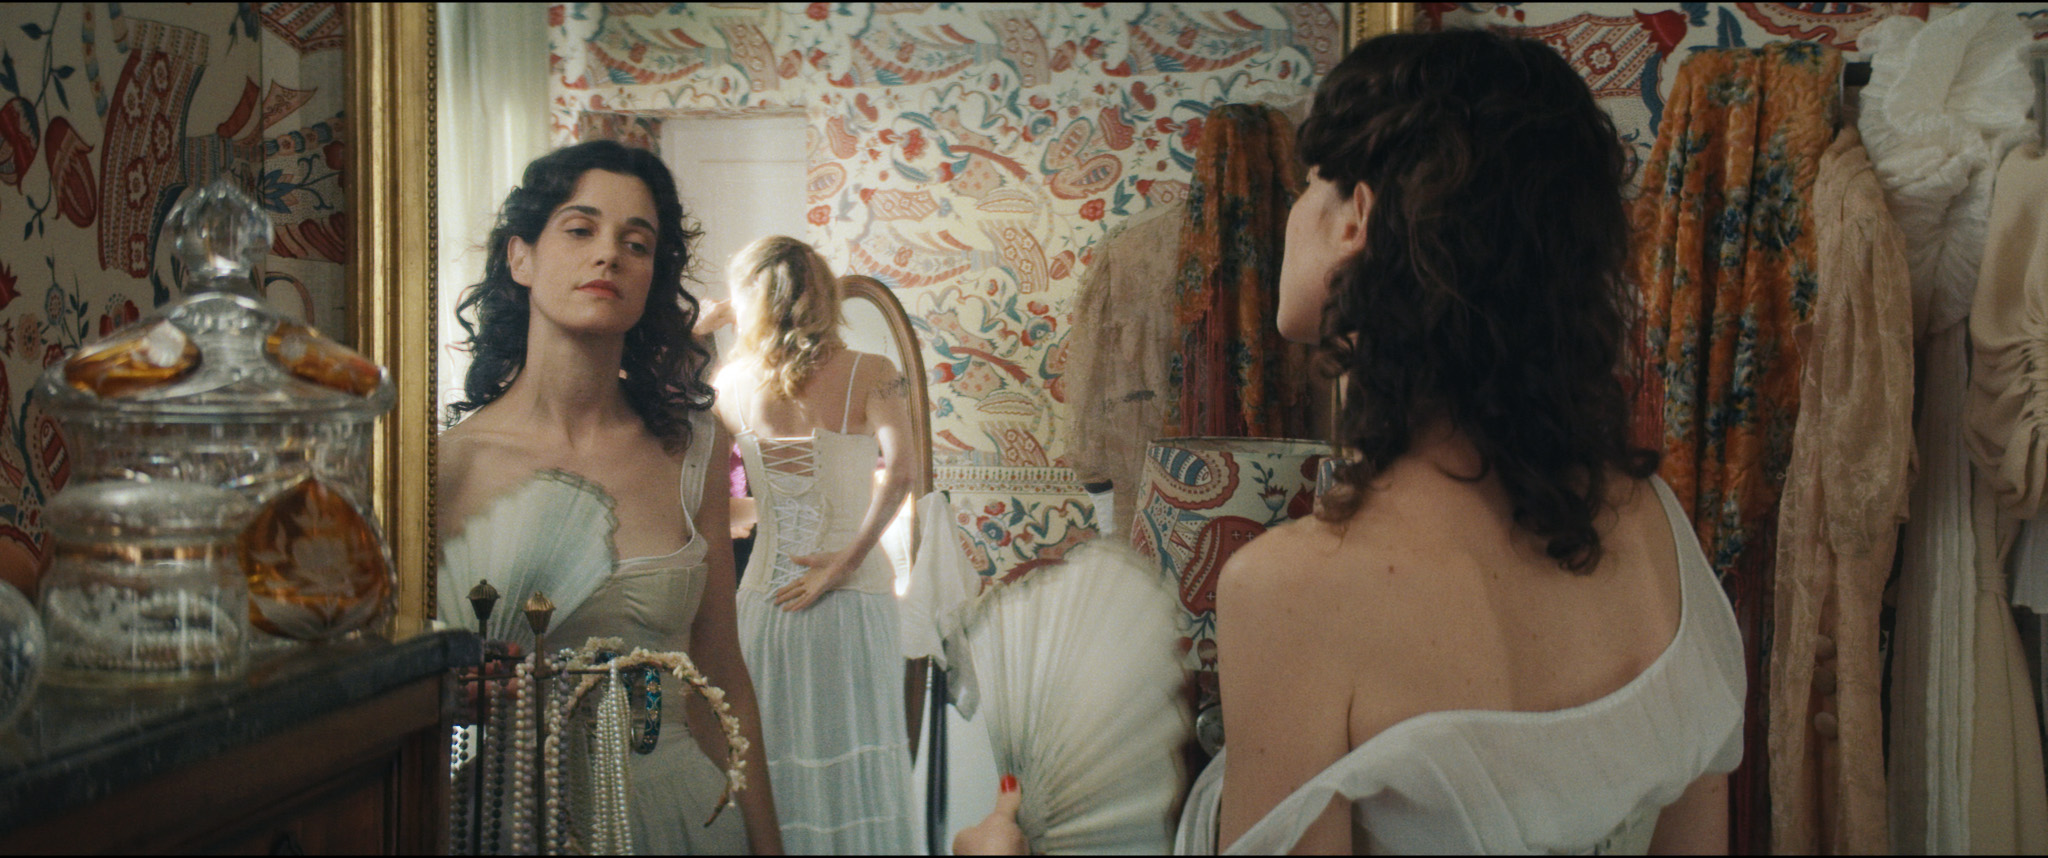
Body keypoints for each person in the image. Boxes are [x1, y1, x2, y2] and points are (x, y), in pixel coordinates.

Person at [957, 28, 1744, 855]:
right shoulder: (1655, 527)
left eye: (1310, 184)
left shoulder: (1294, 589)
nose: (1296, 210)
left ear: (1356, 219)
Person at [437, 139, 783, 854]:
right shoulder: (447, 468)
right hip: (514, 823)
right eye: (580, 229)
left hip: (682, 816)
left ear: (652, 277)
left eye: (636, 243)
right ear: (520, 257)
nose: (609, 256)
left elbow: (721, 668)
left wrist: (767, 844)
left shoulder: (693, 446)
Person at [712, 235, 920, 854]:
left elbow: (709, 501)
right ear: (824, 294)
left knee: (771, 759)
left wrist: (702, 327)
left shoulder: (728, 384)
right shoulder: (872, 371)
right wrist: (843, 563)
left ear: (748, 299)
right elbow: (902, 474)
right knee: (858, 765)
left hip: (765, 601)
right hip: (854, 600)